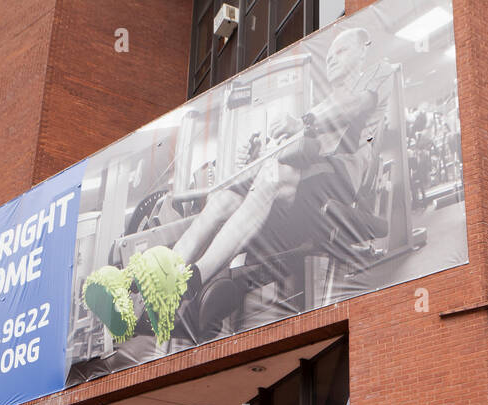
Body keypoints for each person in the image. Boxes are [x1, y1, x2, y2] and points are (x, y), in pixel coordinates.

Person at [82, 26, 389, 346]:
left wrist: (299, 124)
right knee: (224, 199)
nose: (332, 60)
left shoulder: (376, 75)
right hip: (306, 183)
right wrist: (257, 151)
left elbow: (356, 107)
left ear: (363, 51)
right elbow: (302, 147)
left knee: (273, 176)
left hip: (338, 182)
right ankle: (135, 282)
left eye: (341, 52)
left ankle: (190, 280)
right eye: (329, 56)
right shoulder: (324, 103)